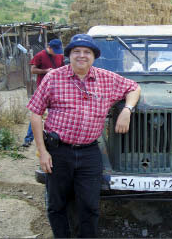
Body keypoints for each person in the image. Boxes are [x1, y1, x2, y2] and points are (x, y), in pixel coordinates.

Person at [27, 34, 141, 238]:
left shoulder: (106, 78)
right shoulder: (54, 77)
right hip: (58, 151)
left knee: (89, 206)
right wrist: (42, 152)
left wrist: (127, 110)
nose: (81, 55)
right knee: (57, 204)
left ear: (94, 56)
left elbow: (134, 87)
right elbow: (35, 113)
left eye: (87, 52)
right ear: (68, 55)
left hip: (89, 152)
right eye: (76, 51)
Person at [22, 39, 64, 147]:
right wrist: (46, 71)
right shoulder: (40, 55)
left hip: (57, 89)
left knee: (56, 114)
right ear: (49, 47)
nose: (57, 53)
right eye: (55, 50)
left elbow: (63, 68)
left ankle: (55, 138)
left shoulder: (60, 56)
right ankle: (28, 139)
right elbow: (33, 70)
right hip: (43, 89)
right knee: (37, 113)